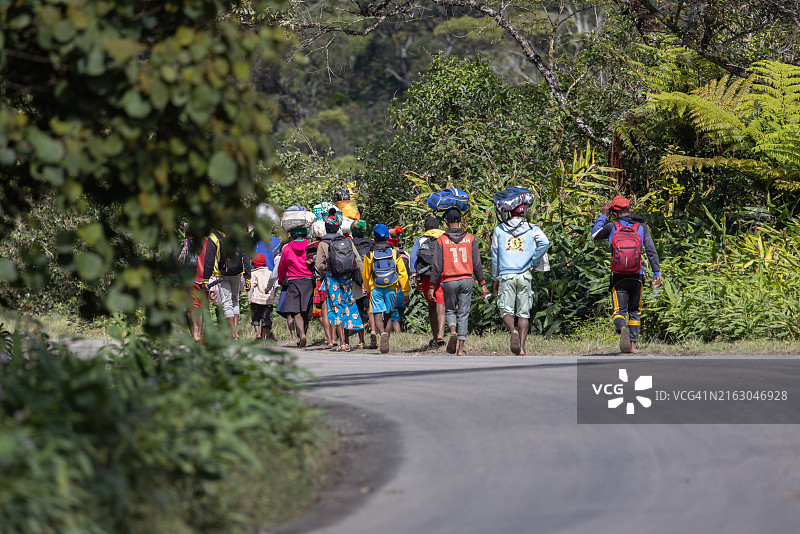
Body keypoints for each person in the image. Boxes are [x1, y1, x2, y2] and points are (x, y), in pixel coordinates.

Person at [591, 196, 663, 353]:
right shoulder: (641, 226)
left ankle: (622, 327)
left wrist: (603, 215)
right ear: (629, 209)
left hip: (618, 276)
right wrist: (656, 272)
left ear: (614, 213)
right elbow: (651, 250)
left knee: (619, 311)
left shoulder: (612, 226)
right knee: (635, 310)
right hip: (637, 275)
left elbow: (594, 235)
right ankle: (633, 345)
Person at [429, 208, 490, 355]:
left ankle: (452, 330)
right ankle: (461, 349)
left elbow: (437, 266)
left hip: (448, 280)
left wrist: (432, 286)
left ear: (447, 222)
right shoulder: (470, 238)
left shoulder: (441, 240)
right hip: (466, 279)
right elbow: (477, 264)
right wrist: (483, 285)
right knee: (463, 313)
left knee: (450, 309)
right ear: (460, 221)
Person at [491, 204, 550, 355]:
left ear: (510, 212)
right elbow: (545, 242)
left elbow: (495, 256)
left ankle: (513, 331)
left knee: (505, 310)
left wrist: (495, 277)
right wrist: (534, 260)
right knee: (524, 313)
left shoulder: (499, 229)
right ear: (525, 213)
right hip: (524, 274)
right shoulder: (532, 228)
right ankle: (522, 348)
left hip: (506, 274)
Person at [315, 213, 365, 351]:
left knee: (337, 308)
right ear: (338, 227)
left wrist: (327, 271)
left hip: (332, 279)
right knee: (350, 306)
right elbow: (358, 260)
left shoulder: (323, 243)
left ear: (326, 228)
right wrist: (361, 278)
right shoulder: (347, 241)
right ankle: (357, 339)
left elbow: (319, 264)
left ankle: (343, 343)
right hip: (347, 278)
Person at [362, 224, 410, 354]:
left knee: (378, 314)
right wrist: (405, 291)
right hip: (392, 287)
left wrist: (367, 289)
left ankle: (382, 333)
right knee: (389, 314)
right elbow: (402, 273)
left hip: (376, 288)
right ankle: (386, 338)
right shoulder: (394, 253)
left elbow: (366, 275)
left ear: (375, 237)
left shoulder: (370, 254)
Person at [202, 229, 251, 340]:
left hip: (221, 273)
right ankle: (236, 331)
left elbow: (209, 259)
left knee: (227, 302)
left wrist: (206, 279)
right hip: (237, 273)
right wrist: (248, 277)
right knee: (235, 300)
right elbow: (246, 256)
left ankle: (233, 333)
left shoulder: (214, 236)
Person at [409, 216, 446, 348]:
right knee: (441, 304)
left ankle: (435, 337)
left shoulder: (420, 240)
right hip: (442, 276)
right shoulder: (444, 238)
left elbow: (413, 258)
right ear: (439, 228)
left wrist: (414, 277)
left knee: (431, 305)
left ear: (425, 228)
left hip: (426, 277)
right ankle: (442, 333)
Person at [277, 227, 314, 347]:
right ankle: (304, 334)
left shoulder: (287, 248)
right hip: (308, 280)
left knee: (295, 310)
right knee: (305, 310)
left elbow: (282, 266)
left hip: (293, 281)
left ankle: (302, 334)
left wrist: (282, 279)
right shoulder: (310, 246)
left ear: (292, 235)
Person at [351, 220, 377, 348]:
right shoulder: (371, 244)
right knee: (370, 308)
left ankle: (361, 341)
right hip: (370, 280)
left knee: (359, 309)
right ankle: (373, 330)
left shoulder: (349, 244)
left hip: (355, 280)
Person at [307, 219, 333, 347]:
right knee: (334, 309)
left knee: (322, 311)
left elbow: (315, 266)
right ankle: (335, 337)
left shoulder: (311, 247)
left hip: (320, 280)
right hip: (335, 279)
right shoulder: (334, 242)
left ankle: (329, 338)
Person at [248, 253, 278, 341]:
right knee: (267, 317)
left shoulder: (253, 274)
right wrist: (274, 295)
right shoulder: (270, 273)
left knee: (256, 317)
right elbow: (275, 285)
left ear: (253, 263)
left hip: (256, 300)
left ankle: (258, 335)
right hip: (268, 300)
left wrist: (249, 299)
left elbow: (251, 287)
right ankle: (266, 336)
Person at [387, 227, 410, 333]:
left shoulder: (387, 255)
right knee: (399, 315)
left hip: (393, 290)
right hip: (403, 290)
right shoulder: (405, 255)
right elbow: (406, 274)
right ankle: (400, 333)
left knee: (394, 316)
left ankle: (397, 335)